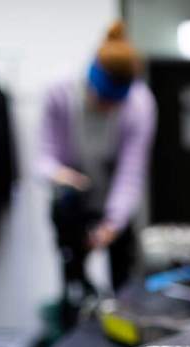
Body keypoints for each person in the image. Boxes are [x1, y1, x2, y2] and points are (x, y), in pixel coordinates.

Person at [37, 21, 157, 325]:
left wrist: (112, 224)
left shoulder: (140, 105)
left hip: (113, 202)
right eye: (102, 101)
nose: (106, 109)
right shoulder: (58, 92)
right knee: (73, 279)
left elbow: (131, 172)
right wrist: (61, 175)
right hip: (72, 200)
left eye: (113, 104)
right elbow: (43, 157)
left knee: (124, 281)